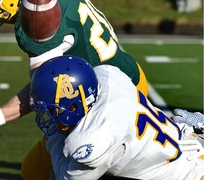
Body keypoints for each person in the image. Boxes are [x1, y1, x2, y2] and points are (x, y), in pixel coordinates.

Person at [0, 0, 150, 179]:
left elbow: (43, 90)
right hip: (130, 75)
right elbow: (28, 7)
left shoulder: (37, 28)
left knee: (39, 172)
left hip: (105, 104)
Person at [28, 55, 204, 180]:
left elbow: (66, 177)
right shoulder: (107, 77)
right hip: (187, 146)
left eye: (51, 108)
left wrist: (53, 136)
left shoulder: (94, 137)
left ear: (73, 106)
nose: (46, 114)